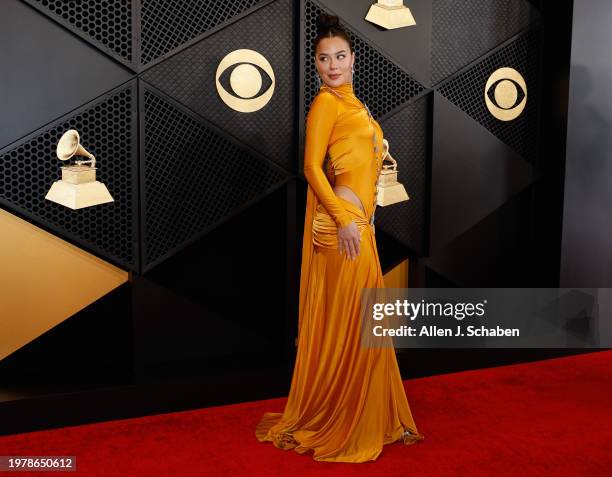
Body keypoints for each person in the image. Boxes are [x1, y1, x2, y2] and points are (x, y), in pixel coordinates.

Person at [255, 13, 424, 463]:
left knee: (362, 325)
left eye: (340, 56)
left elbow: (358, 158)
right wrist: (344, 219)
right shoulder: (326, 104)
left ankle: (357, 412)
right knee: (355, 325)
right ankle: (342, 419)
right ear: (315, 65)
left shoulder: (356, 104)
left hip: (360, 224)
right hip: (341, 224)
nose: (333, 65)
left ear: (354, 58)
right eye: (324, 59)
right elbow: (311, 168)